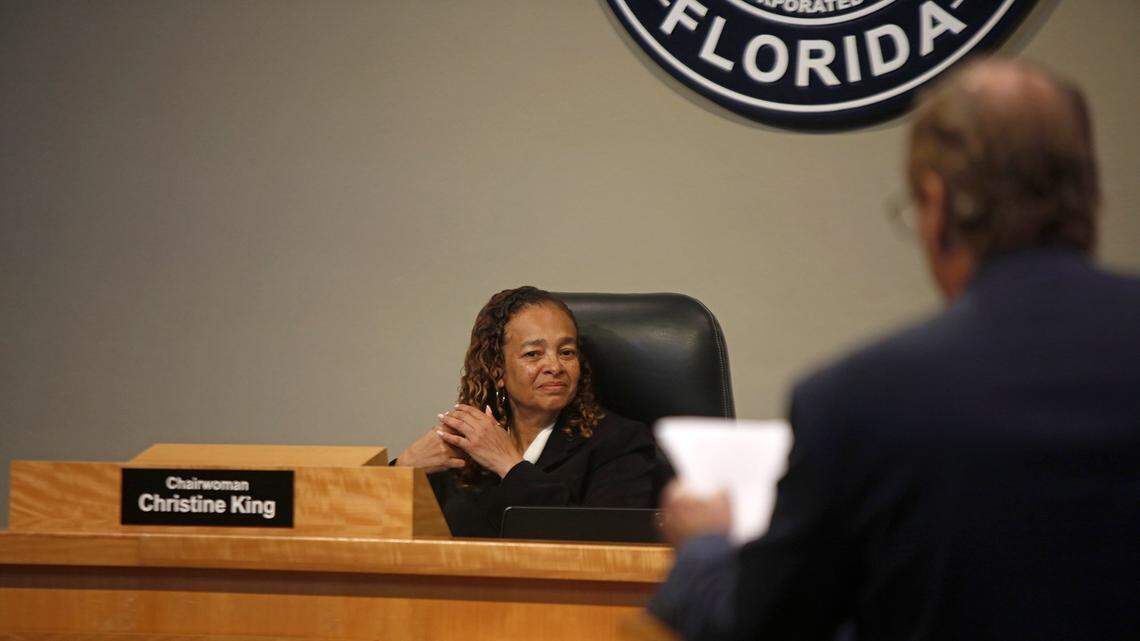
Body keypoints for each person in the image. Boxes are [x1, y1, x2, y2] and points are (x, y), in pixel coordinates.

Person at [649, 59, 1140, 641]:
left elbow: (762, 626)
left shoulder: (860, 400)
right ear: (1090, 192)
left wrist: (705, 544)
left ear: (936, 205)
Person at [393, 286, 659, 537]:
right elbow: (375, 529)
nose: (555, 366)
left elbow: (606, 542)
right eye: (533, 354)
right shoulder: (466, 441)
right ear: (497, 370)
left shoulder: (621, 443)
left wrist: (509, 465)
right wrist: (403, 469)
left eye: (567, 352)